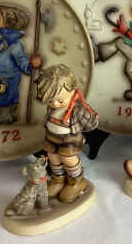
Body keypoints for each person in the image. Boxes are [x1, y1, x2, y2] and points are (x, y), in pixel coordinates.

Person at [36, 64, 98, 203]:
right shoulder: (52, 107)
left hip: (69, 140)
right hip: (51, 137)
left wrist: (81, 135)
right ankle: (58, 180)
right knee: (53, 157)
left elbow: (92, 123)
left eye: (60, 100)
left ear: (72, 91)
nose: (55, 104)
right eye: (50, 100)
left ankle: (76, 181)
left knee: (68, 159)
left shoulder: (78, 110)